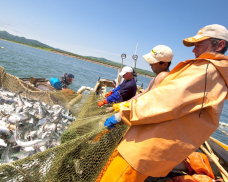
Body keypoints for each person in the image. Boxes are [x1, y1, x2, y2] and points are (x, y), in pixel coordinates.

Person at [98, 24, 228, 182]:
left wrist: (123, 113)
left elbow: (165, 100)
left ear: (220, 45)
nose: (194, 50)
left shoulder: (207, 70)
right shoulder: (217, 77)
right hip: (153, 148)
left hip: (143, 147)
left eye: (199, 45)